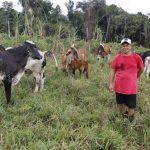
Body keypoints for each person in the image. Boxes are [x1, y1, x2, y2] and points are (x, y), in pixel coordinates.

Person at [108, 38, 144, 123]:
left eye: (127, 45)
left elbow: (141, 69)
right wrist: (110, 83)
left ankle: (130, 122)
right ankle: (123, 118)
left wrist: (135, 77)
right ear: (121, 47)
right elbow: (113, 70)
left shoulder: (136, 57)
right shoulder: (117, 57)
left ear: (130, 46)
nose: (125, 47)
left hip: (131, 88)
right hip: (119, 86)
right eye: (123, 46)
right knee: (120, 104)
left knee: (131, 106)